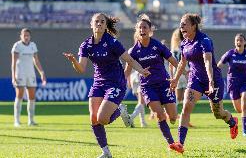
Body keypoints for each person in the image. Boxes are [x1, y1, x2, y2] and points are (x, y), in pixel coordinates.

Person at [63, 13, 150, 158]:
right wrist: (73, 61)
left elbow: (129, 59)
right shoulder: (86, 45)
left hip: (116, 82)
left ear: (105, 25)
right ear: (91, 24)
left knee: (103, 118)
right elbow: (81, 69)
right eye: (96, 21)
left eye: (102, 22)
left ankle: (120, 109)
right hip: (98, 83)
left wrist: (141, 70)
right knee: (94, 118)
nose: (99, 24)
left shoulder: (111, 42)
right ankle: (106, 152)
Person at [170, 13, 238, 153]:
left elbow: (208, 62)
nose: (181, 27)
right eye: (180, 24)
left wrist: (211, 82)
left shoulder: (204, 40)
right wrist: (175, 80)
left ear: (193, 26)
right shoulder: (184, 43)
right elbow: (182, 63)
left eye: (184, 24)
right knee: (186, 108)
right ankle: (180, 143)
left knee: (218, 113)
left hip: (213, 80)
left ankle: (232, 121)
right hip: (195, 80)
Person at [124, 14, 181, 153]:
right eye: (140, 28)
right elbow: (127, 71)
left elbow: (173, 61)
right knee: (160, 115)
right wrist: (119, 84)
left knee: (173, 118)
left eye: (145, 27)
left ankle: (167, 118)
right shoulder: (133, 51)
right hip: (148, 87)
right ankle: (171, 143)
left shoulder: (158, 46)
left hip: (164, 84)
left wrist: (184, 73)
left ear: (150, 30)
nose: (142, 30)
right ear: (137, 31)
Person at [217, 33, 246, 136]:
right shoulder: (230, 54)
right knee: (239, 109)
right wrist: (214, 76)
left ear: (245, 42)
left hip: (245, 81)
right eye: (237, 40)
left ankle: (244, 130)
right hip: (232, 83)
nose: (239, 42)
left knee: (245, 103)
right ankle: (236, 120)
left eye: (241, 40)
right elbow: (219, 65)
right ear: (235, 42)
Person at [11, 28, 47, 127]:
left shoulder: (33, 45)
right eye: (24, 35)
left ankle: (31, 120)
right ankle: (16, 121)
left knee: (32, 97)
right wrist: (13, 76)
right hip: (20, 73)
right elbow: (13, 63)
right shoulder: (17, 46)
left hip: (30, 73)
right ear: (21, 36)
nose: (26, 37)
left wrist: (41, 72)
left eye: (28, 35)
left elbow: (36, 60)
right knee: (19, 96)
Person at [169, 29, 194, 128]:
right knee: (186, 99)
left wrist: (172, 76)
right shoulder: (186, 47)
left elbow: (171, 65)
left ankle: (173, 115)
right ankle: (184, 119)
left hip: (177, 75)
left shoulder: (173, 50)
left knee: (179, 98)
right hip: (186, 73)